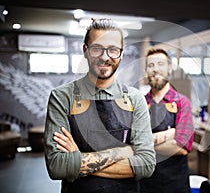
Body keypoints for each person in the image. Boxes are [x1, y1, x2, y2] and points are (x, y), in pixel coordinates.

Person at [43, 18, 156, 193]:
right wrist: (123, 152)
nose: (105, 57)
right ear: (85, 51)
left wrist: (78, 160)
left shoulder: (135, 99)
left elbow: (147, 164)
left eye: (113, 50)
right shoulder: (62, 97)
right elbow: (57, 166)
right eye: (97, 48)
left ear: (121, 53)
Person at [139, 48, 194, 193]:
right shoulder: (140, 103)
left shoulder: (182, 102)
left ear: (169, 68)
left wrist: (144, 144)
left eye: (160, 64)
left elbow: (181, 148)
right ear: (146, 70)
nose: (155, 69)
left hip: (175, 185)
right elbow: (132, 142)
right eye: (151, 65)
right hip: (145, 184)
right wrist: (169, 135)